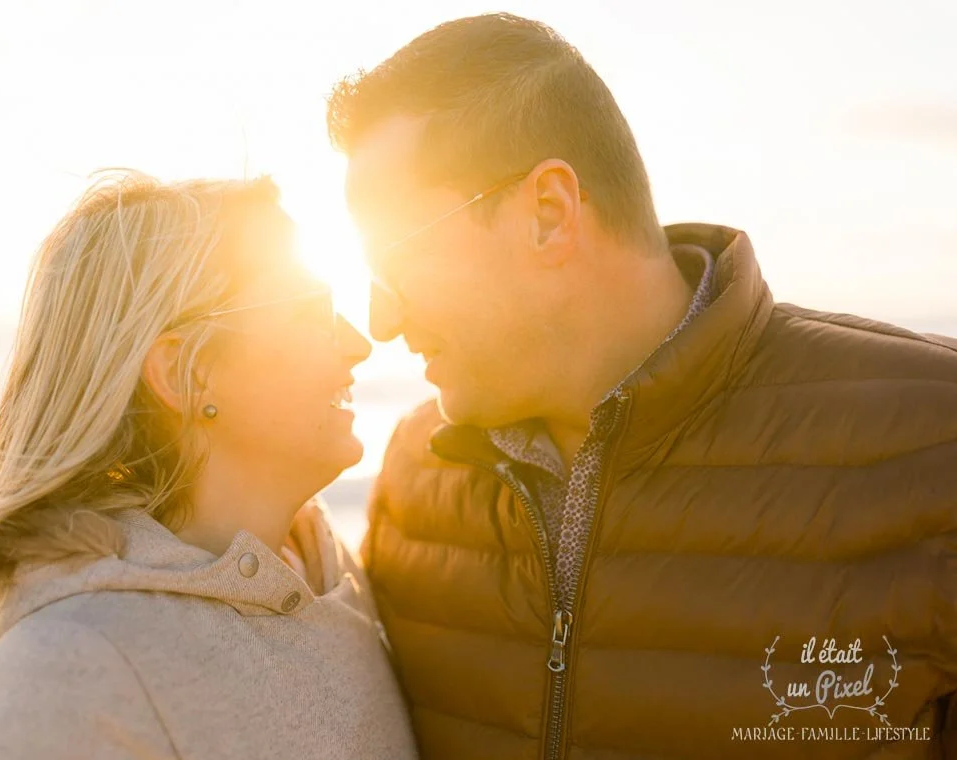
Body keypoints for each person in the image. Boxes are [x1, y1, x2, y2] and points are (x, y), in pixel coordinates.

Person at [327, 12, 957, 758]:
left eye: (397, 263)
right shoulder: (417, 480)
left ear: (548, 214)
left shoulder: (936, 445)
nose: (381, 321)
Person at [0, 171, 419, 759]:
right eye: (312, 313)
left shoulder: (331, 571)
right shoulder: (62, 681)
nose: (358, 344)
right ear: (185, 373)